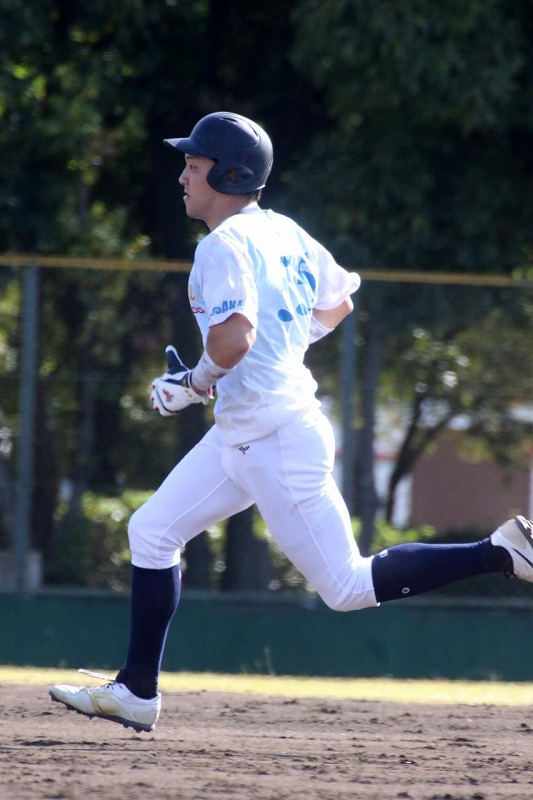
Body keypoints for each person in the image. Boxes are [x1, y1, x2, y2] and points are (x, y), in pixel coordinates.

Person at [49, 111, 533, 733]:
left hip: (274, 436)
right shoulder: (285, 231)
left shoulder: (221, 245)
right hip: (246, 431)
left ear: (228, 175)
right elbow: (338, 304)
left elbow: (234, 339)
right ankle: (137, 690)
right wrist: (261, 356)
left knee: (348, 587)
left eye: (193, 166)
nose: (182, 177)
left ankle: (497, 552)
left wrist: (193, 384)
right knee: (151, 531)